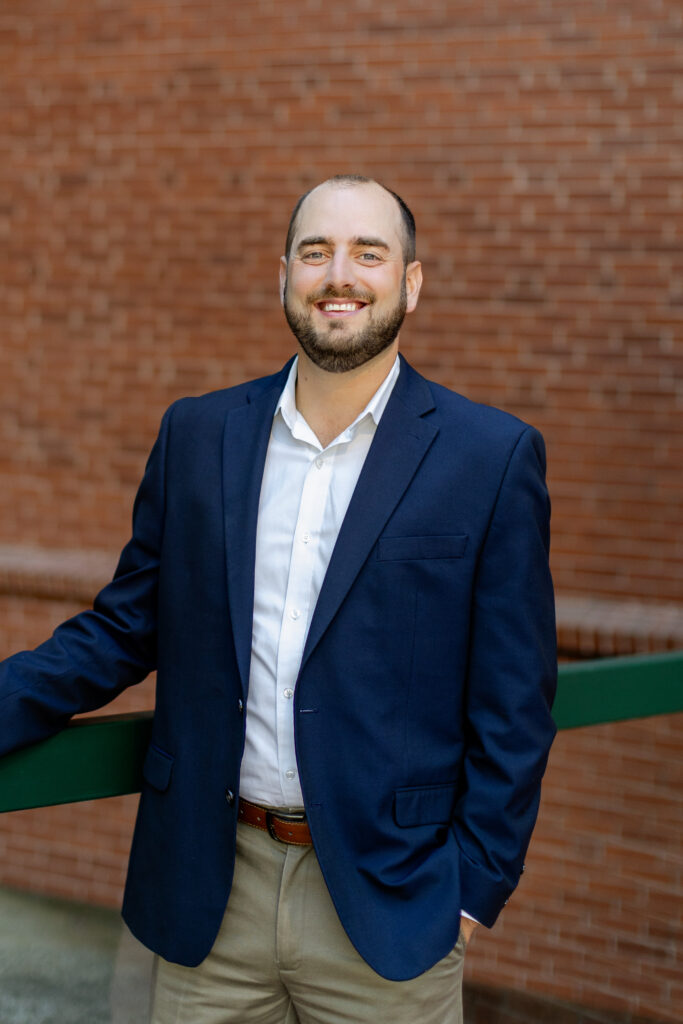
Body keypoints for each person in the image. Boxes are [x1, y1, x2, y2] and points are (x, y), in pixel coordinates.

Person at [0, 175, 557, 1023]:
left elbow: (514, 702)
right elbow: (123, 628)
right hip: (211, 894)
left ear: (410, 283)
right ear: (284, 276)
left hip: (392, 903)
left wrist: (472, 891)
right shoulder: (198, 434)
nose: (339, 275)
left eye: (368, 253)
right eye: (315, 251)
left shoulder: (490, 457)